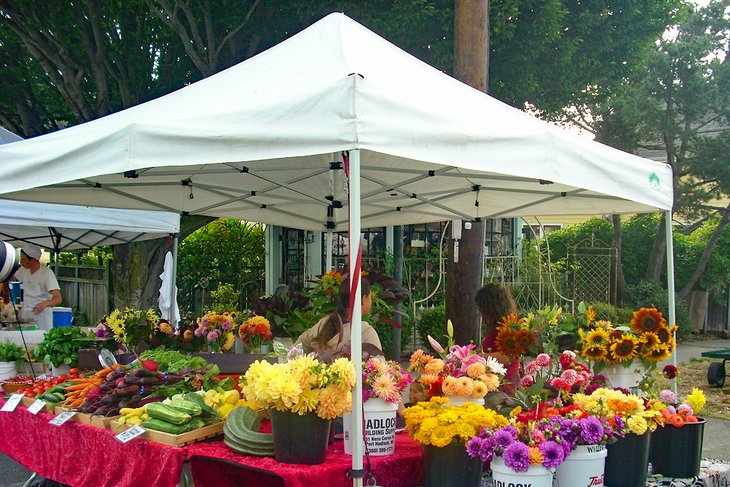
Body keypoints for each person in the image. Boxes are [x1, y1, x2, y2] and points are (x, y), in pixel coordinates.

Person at [297, 278, 383, 362]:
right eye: (370, 297)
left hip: (317, 375)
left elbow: (299, 346)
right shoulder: (365, 331)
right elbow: (377, 368)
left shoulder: (326, 321)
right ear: (363, 299)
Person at [474, 283, 520, 393]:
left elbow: (505, 357)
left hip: (506, 384)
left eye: (481, 308)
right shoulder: (498, 325)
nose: (480, 313)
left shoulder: (509, 327)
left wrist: (477, 357)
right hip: (496, 381)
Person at [13, 244, 62, 330]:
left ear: (33, 260)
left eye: (23, 259)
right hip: (27, 314)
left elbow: (58, 299)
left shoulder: (47, 273)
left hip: (43, 316)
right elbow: (10, 278)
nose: (21, 262)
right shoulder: (23, 270)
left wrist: (44, 304)